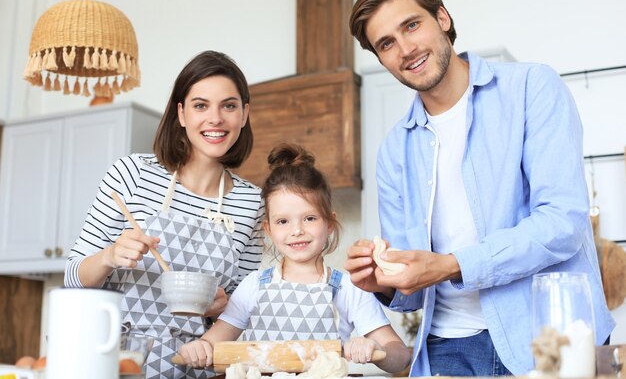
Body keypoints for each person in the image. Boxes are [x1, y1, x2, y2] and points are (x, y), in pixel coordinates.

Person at [344, 0, 615, 377]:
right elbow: (413, 282)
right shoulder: (394, 151)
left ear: (443, 18)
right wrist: (383, 280)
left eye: (412, 25)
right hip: (446, 349)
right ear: (381, 59)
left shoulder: (531, 88)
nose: (406, 49)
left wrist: (451, 265)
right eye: (386, 44)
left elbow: (562, 222)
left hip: (549, 338)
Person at [64, 50, 265, 379]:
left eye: (228, 106)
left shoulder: (252, 203)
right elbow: (72, 279)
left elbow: (240, 310)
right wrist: (110, 256)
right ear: (181, 114)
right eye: (201, 105)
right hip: (113, 362)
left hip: (191, 369)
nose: (215, 118)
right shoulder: (131, 174)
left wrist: (222, 306)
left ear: (244, 114)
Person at [178, 143, 411, 374]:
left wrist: (373, 347)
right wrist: (200, 348)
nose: (297, 230)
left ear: (329, 223)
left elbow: (399, 357)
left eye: (309, 218)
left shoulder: (350, 288)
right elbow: (213, 342)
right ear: (268, 229)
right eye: (283, 221)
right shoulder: (254, 286)